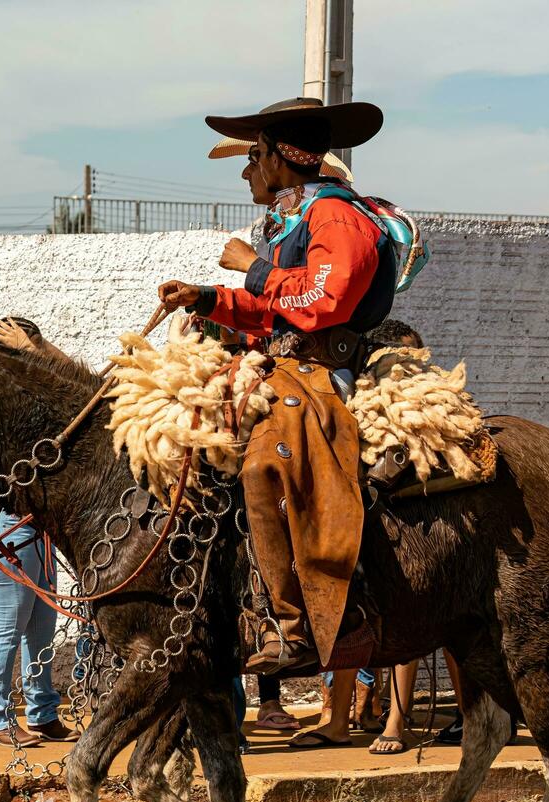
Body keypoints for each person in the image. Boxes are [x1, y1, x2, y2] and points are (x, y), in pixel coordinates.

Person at [159, 97, 396, 679]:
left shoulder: (334, 216)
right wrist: (208, 298)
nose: (247, 171)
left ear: (279, 159)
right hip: (287, 363)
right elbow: (274, 310)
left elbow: (324, 301)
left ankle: (301, 628)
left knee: (264, 463)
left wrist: (252, 267)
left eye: (254, 156)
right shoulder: (298, 216)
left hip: (321, 371)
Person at [0, 512, 78, 747]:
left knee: (41, 626)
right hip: (7, 523)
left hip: (39, 526)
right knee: (7, 625)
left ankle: (42, 714)